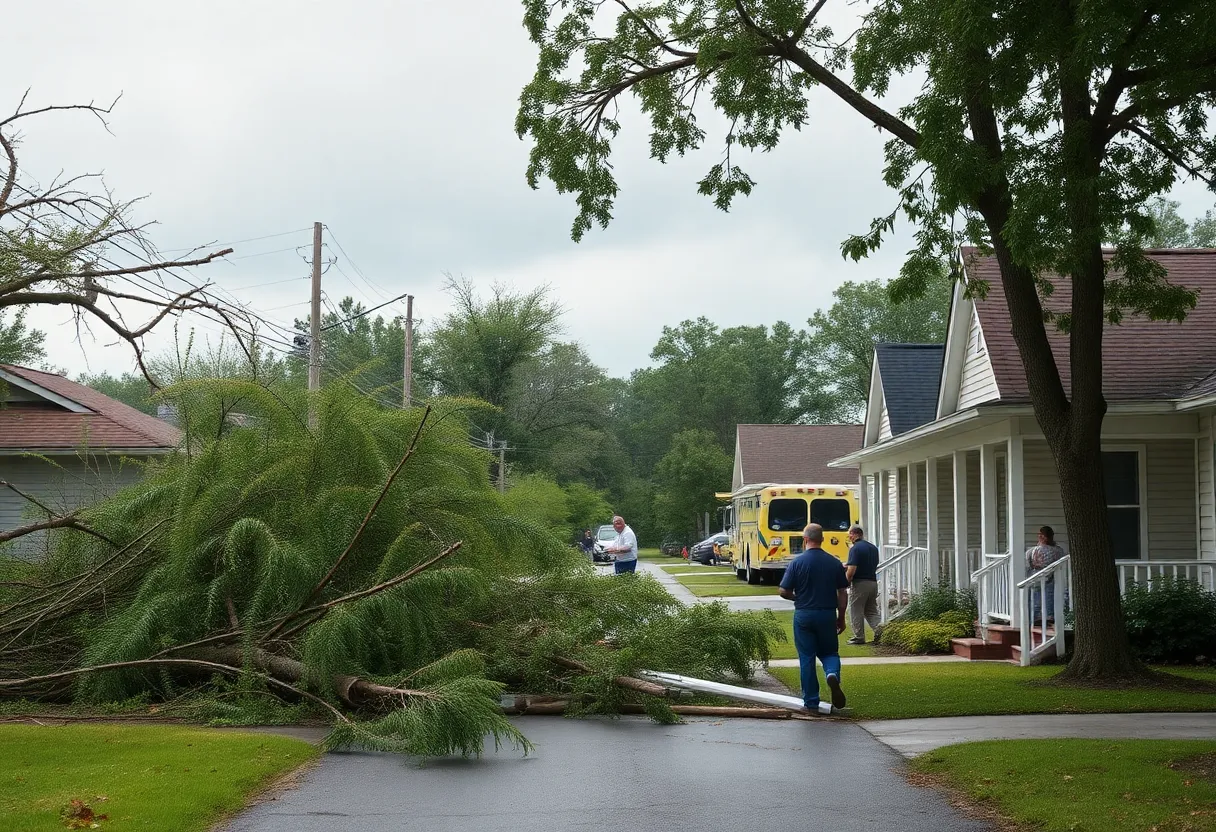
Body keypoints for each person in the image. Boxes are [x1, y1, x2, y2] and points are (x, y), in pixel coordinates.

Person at [778, 523, 849, 714]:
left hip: (804, 614)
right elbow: (843, 591)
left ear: (805, 539)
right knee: (830, 653)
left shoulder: (797, 562)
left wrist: (796, 597)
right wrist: (841, 617)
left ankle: (811, 702)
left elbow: (784, 590)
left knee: (807, 658)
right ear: (822, 539)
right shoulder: (833, 562)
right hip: (827, 613)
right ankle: (832, 674)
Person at [844, 525, 882, 645]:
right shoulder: (873, 548)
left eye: (850, 534)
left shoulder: (855, 549)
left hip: (860, 583)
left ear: (855, 534)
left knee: (855, 609)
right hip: (873, 582)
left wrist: (846, 583)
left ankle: (859, 636)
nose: (849, 537)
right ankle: (882, 633)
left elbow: (852, 570)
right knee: (871, 610)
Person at [1026, 525, 1067, 622]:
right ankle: (1049, 615)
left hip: (1037, 575)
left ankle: (1035, 616)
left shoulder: (1037, 549)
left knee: (1036, 596)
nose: (1039, 537)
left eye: (1040, 535)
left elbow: (1032, 562)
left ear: (1043, 537)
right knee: (1049, 595)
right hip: (1052, 576)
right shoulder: (1058, 550)